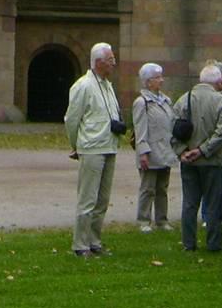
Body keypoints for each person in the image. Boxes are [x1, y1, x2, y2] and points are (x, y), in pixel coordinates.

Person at [64, 42, 124, 258]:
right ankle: (80, 244)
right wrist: (76, 145)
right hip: (91, 147)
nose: (114, 63)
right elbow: (72, 119)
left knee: (102, 199)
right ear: (98, 62)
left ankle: (94, 241)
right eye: (110, 60)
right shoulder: (83, 86)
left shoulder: (108, 85)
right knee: (87, 199)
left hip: (109, 145)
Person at [172, 63, 222, 253]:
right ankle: (214, 243)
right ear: (217, 81)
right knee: (213, 203)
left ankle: (188, 243)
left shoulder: (183, 100)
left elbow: (173, 129)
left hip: (188, 161)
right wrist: (203, 150)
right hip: (212, 161)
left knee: (190, 203)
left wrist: (182, 152)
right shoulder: (221, 102)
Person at [132, 62, 176, 232]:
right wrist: (143, 151)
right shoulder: (142, 102)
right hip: (150, 152)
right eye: (157, 78)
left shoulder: (166, 100)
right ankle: (143, 220)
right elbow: (140, 128)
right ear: (148, 81)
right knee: (148, 188)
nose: (161, 80)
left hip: (165, 151)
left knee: (162, 188)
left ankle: (162, 220)